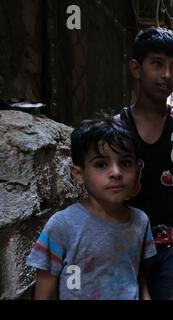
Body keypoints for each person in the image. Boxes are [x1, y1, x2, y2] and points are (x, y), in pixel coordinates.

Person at [26, 118, 156, 299]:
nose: (116, 173)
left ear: (137, 169)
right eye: (101, 164)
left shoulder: (141, 222)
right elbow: (44, 294)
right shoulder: (62, 226)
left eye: (125, 163)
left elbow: (134, 271)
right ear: (79, 174)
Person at [116, 27, 173, 300]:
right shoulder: (118, 126)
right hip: (126, 247)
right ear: (136, 68)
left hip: (168, 250)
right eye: (157, 64)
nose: (167, 75)